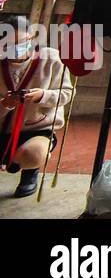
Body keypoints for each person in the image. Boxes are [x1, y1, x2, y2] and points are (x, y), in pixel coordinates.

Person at [1, 15, 73, 199]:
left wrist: (43, 95)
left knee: (32, 154)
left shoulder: (51, 58)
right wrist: (5, 105)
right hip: (3, 127)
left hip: (37, 127)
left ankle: (28, 171)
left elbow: (67, 93)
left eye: (23, 42)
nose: (16, 49)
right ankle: (10, 159)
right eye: (9, 44)